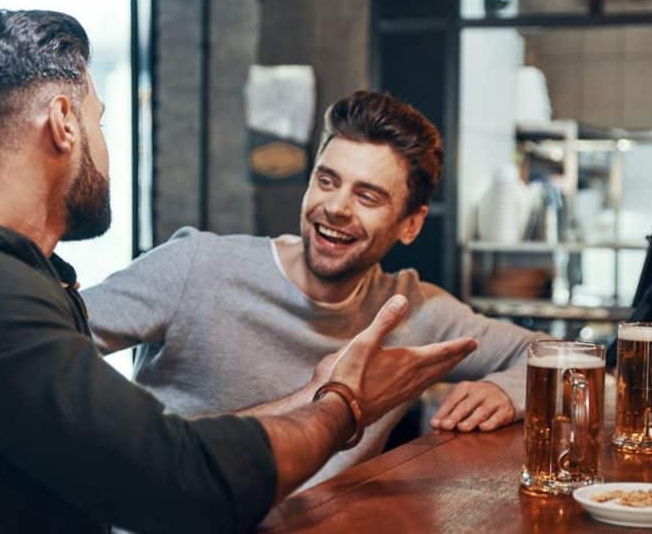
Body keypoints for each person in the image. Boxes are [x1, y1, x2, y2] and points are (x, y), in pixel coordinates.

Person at [0, 10, 478, 534]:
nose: (105, 145)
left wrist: (320, 392)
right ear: (63, 122)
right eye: (99, 121)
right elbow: (179, 483)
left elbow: (142, 449)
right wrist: (344, 406)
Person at [82, 90, 544, 487]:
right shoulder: (196, 266)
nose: (336, 208)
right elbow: (34, 345)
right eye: (327, 181)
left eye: (367, 196)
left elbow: (552, 354)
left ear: (410, 224)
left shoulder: (415, 309)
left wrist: (508, 392)